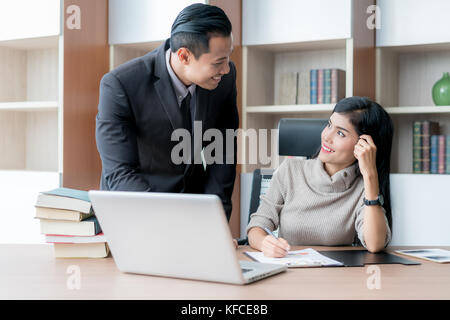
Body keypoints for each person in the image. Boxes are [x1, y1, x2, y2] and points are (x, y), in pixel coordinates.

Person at [95, 4, 239, 221]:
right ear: (184, 56)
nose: (226, 69)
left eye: (228, 57)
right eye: (218, 62)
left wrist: (214, 220)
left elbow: (222, 153)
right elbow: (120, 172)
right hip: (135, 212)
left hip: (193, 211)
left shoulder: (223, 79)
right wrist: (168, 225)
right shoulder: (120, 85)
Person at [246, 97, 394, 256]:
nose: (326, 136)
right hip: (290, 274)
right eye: (329, 124)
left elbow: (375, 244)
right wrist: (265, 243)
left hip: (339, 277)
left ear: (364, 145)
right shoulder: (290, 170)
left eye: (340, 133)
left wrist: (370, 176)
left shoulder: (363, 187)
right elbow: (256, 227)